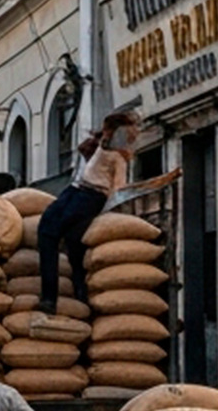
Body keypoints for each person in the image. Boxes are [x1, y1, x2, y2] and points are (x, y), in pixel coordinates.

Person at [37, 108, 141, 315]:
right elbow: (85, 149)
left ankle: (52, 298)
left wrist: (111, 214)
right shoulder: (100, 148)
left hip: (90, 197)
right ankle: (75, 295)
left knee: (56, 234)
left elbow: (118, 189)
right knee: (65, 240)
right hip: (75, 191)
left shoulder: (118, 158)